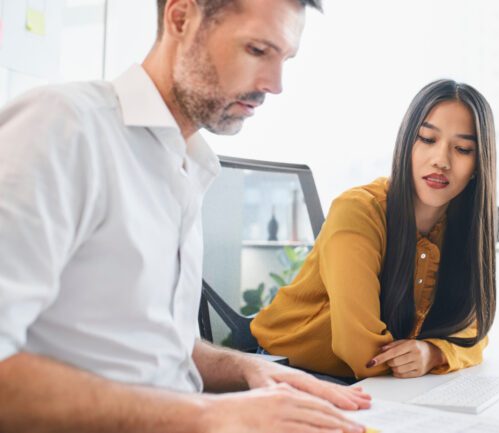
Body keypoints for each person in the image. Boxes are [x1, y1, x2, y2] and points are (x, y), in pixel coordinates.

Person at [0, 0, 371, 432]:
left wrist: (248, 369)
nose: (274, 85)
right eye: (256, 50)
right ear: (181, 19)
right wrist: (208, 415)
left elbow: (155, 348)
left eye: (284, 59)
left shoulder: (187, 163)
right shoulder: (65, 127)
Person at [251, 79, 497, 380]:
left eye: (462, 148)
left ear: (478, 165)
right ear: (407, 143)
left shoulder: (462, 229)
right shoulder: (357, 211)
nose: (441, 160)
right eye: (427, 139)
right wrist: (430, 357)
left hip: (372, 383)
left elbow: (474, 334)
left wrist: (434, 353)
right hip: (290, 371)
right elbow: (362, 353)